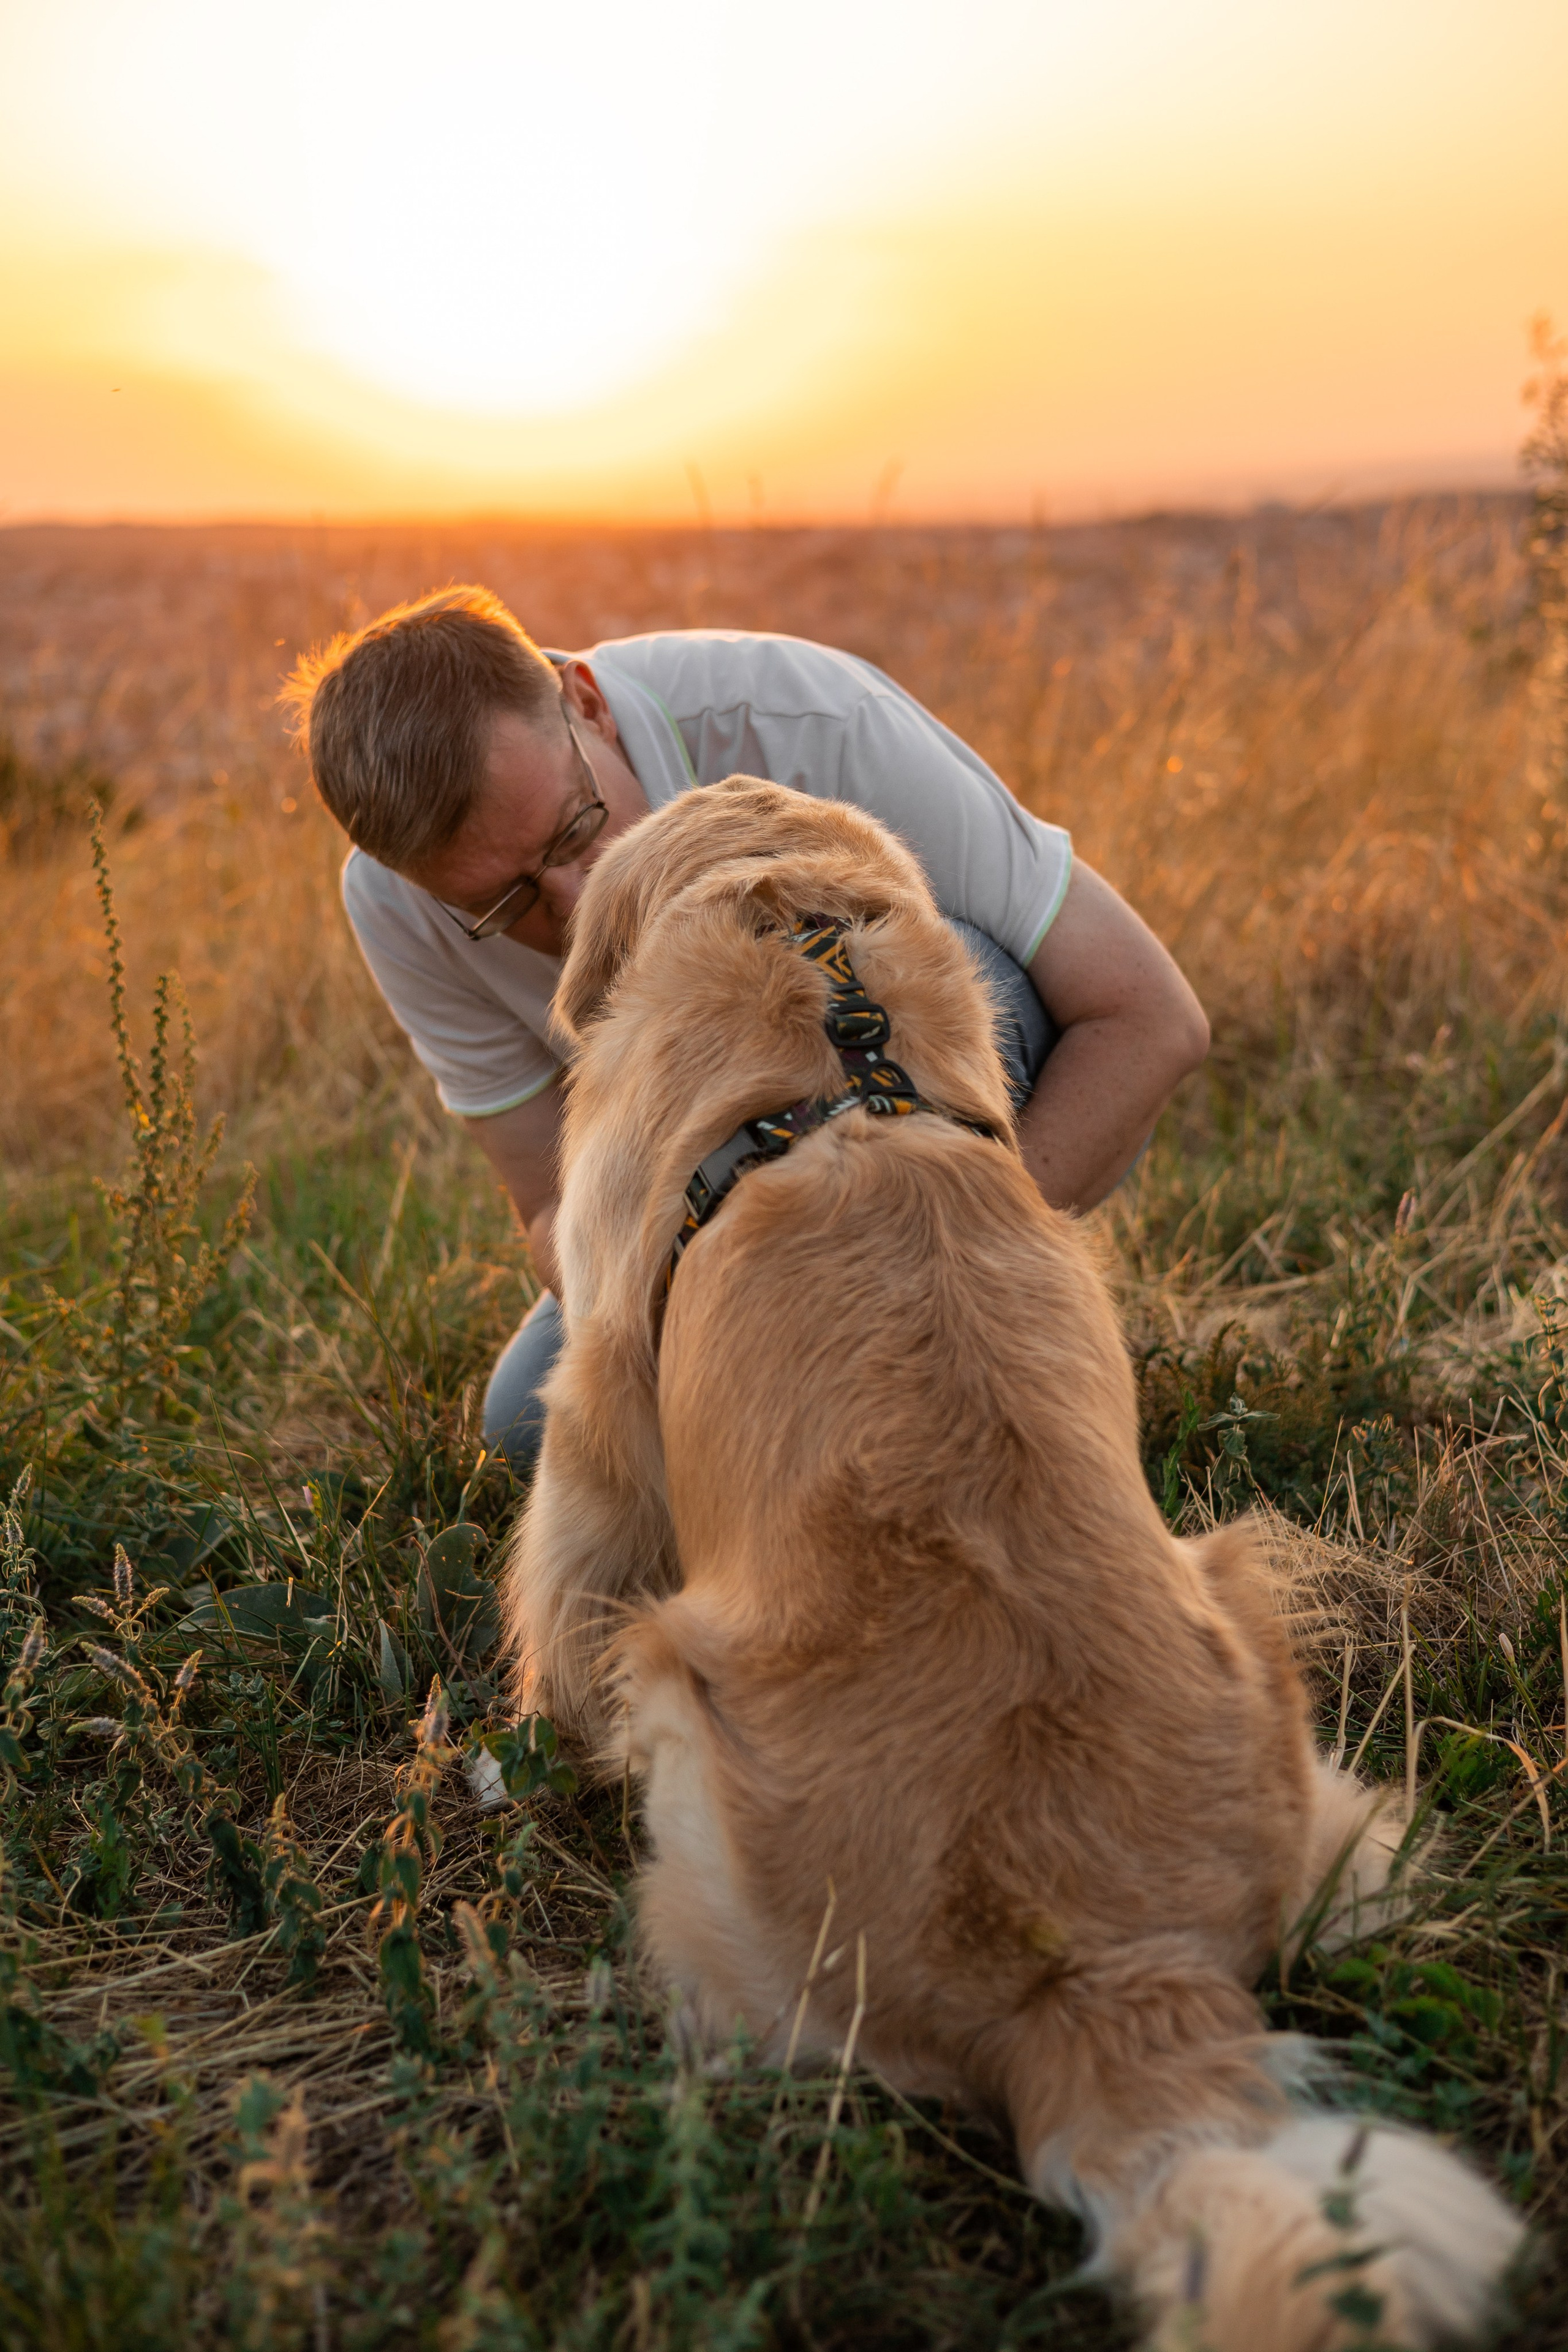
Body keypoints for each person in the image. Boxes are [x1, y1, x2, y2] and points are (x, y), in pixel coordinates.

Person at [285, 585, 1209, 1474]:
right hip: (710, 1232)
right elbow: (551, 1209)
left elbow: (1147, 1020)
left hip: (971, 1152)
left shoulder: (807, 721)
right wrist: (716, 1337)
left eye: (577, 830)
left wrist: (969, 1274)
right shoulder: (394, 905)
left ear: (587, 703)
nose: (575, 909)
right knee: (526, 1428)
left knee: (941, 961)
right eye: (505, 902)